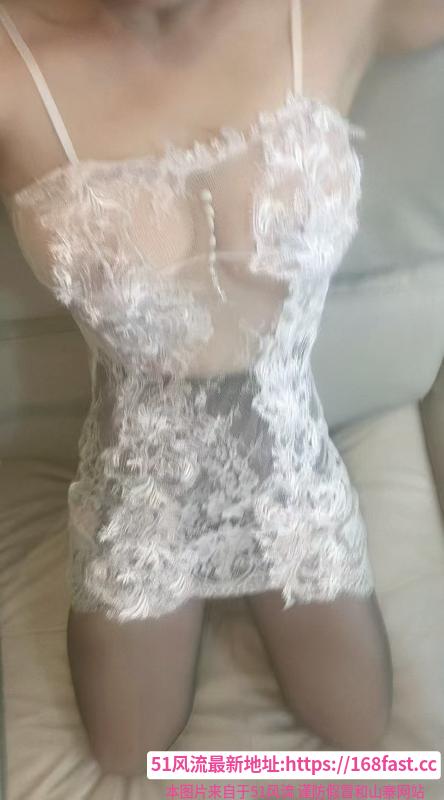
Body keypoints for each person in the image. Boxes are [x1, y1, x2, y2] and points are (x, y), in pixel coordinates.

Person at [0, 0, 442, 779]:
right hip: (143, 499)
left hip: (290, 478)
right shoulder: (14, 68)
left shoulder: (339, 12)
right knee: (126, 750)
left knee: (359, 728)